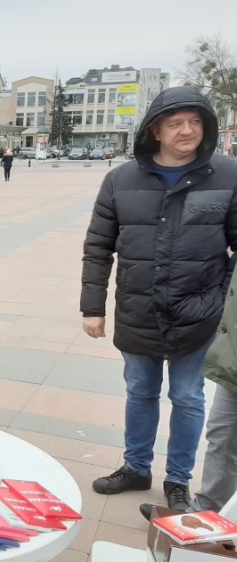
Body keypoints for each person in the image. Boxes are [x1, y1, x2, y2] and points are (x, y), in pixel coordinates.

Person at [82, 86, 237, 511]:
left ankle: (178, 480)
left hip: (199, 313)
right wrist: (92, 307)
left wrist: (220, 297)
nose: (187, 130)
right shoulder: (120, 180)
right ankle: (136, 467)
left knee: (187, 396)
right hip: (139, 308)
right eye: (176, 123)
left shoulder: (227, 176)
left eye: (195, 122)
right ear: (155, 130)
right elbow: (98, 248)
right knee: (140, 391)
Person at [139, 269, 237, 520]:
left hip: (202, 327)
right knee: (222, 435)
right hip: (232, 358)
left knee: (191, 401)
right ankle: (203, 513)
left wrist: (210, 305)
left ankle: (197, 504)